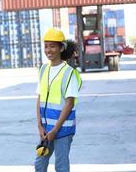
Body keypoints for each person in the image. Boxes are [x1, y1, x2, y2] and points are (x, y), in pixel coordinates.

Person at [34, 28, 82, 172]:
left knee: (61, 166)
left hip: (63, 129)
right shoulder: (43, 69)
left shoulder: (69, 73)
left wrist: (56, 129)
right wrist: (39, 125)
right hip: (46, 129)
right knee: (40, 164)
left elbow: (69, 103)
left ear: (61, 48)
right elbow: (39, 98)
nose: (48, 50)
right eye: (46, 46)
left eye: (52, 46)